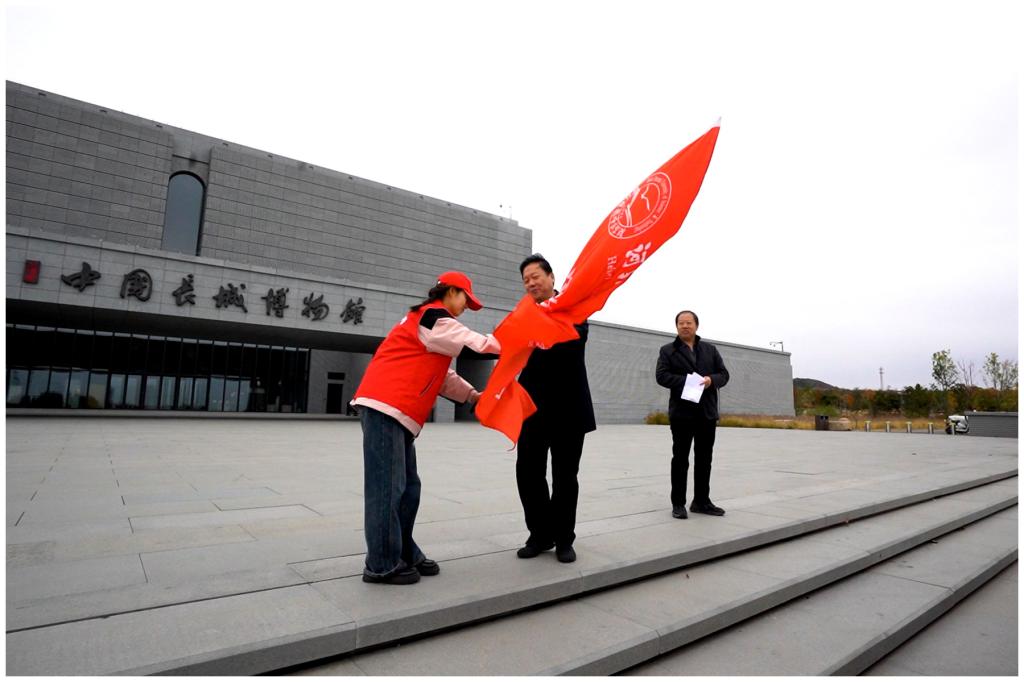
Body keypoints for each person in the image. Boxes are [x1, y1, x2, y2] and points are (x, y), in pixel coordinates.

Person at [352, 271, 500, 585]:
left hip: (397, 411)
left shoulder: (429, 324)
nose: (466, 307)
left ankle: (404, 551)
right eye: (466, 299)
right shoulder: (434, 317)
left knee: (408, 488)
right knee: (387, 489)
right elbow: (477, 344)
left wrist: (472, 396)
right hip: (386, 406)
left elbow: (442, 376)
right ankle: (381, 564)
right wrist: (517, 340)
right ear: (452, 291)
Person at [515, 253, 596, 563]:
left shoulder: (574, 308)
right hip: (532, 409)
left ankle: (564, 538)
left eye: (535, 276)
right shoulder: (523, 315)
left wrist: (540, 327)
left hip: (568, 409)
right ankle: (540, 534)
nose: (531, 283)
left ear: (551, 277)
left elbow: (573, 340)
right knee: (528, 473)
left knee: (565, 477)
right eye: (526, 280)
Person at [655, 310, 730, 519]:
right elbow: (661, 376)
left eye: (689, 322)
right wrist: (689, 381)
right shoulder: (668, 350)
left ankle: (701, 501)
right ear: (676, 326)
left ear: (696, 325)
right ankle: (678, 503)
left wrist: (710, 380)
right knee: (680, 459)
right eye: (681, 323)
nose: (685, 326)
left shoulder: (710, 350)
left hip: (706, 413)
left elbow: (724, 375)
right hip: (682, 414)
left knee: (704, 459)